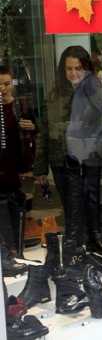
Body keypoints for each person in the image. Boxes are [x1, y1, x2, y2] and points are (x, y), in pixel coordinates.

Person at [33, 46, 102, 256]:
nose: (73, 73)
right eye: (69, 68)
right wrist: (39, 167)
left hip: (90, 158)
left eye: (78, 68)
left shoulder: (99, 91)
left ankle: (94, 242)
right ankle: (76, 247)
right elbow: (44, 132)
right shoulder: (55, 95)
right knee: (70, 206)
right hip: (60, 158)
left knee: (94, 202)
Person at [0, 65, 32, 276]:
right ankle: (8, 255)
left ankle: (15, 252)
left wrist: (31, 129)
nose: (3, 88)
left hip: (15, 167)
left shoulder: (19, 106)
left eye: (6, 84)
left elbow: (31, 134)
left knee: (14, 206)